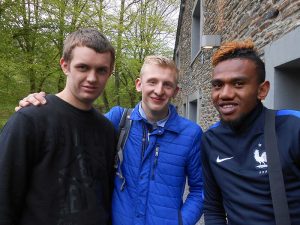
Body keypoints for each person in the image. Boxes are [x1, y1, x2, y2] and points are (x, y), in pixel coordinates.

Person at [17, 55, 204, 225]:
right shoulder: (118, 120)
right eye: (152, 82)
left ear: (176, 91)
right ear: (139, 84)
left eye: (167, 84)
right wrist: (43, 107)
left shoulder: (191, 134)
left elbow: (200, 189)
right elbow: (75, 125)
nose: (158, 90)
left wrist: (181, 222)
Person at [0, 28, 117, 225]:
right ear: (65, 65)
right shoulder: (30, 120)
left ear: (109, 72)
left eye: (101, 70)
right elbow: (4, 198)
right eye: (83, 67)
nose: (92, 78)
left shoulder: (107, 130)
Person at [201, 39, 300, 224]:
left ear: (262, 90)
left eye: (238, 84)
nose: (225, 94)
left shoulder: (293, 127)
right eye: (217, 85)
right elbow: (213, 207)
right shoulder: (210, 140)